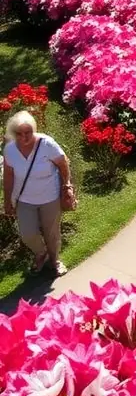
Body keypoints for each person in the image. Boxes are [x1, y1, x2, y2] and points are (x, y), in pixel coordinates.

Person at [2, 110, 74, 276]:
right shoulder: (10, 150)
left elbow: (63, 164)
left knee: (52, 233)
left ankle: (55, 261)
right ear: (13, 134)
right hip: (24, 199)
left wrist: (67, 185)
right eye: (19, 134)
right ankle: (42, 253)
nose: (25, 137)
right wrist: (7, 200)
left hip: (50, 196)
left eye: (28, 133)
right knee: (27, 234)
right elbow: (8, 176)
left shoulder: (47, 144)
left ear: (33, 130)